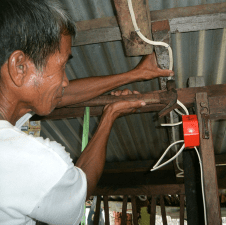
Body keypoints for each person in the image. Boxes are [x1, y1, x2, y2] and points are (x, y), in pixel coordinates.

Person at [0, 0, 173, 224]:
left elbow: (62, 94)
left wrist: (134, 74)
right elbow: (79, 194)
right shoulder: (22, 158)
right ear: (19, 67)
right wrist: (109, 116)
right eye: (62, 65)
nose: (65, 80)